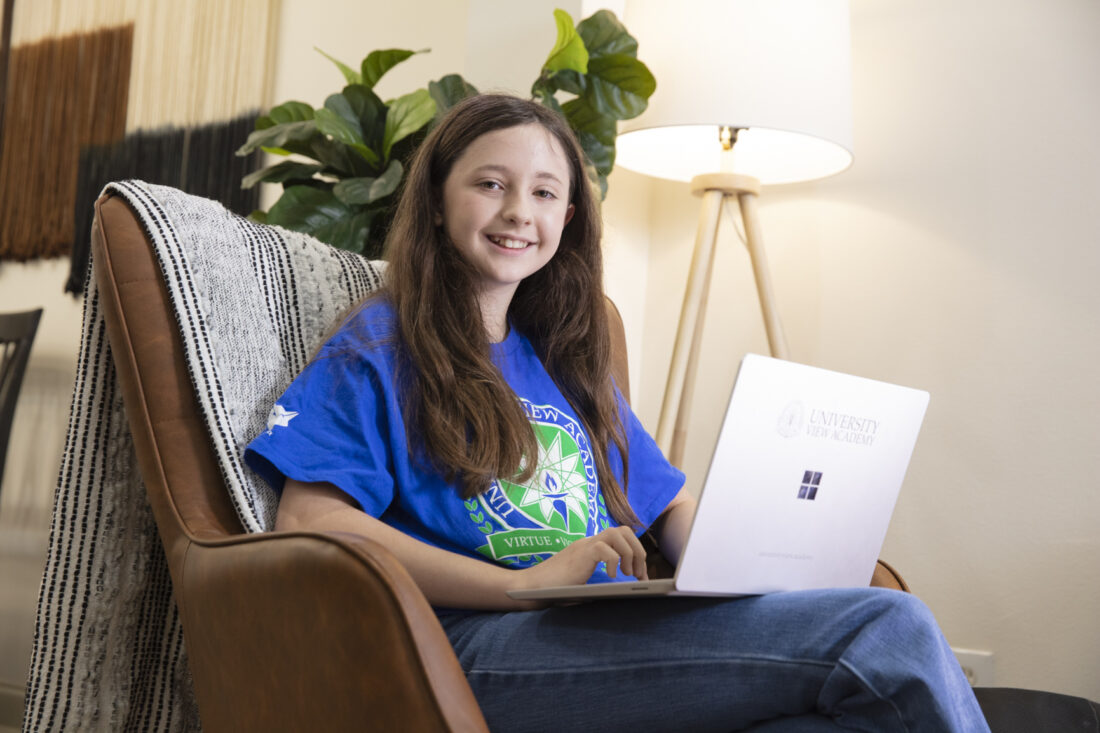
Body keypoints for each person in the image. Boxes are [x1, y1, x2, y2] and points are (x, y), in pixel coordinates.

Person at [245, 93, 989, 732]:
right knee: (889, 626)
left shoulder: (563, 360)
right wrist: (523, 584)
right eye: (490, 184)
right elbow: (313, 522)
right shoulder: (379, 342)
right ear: (439, 202)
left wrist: (759, 564)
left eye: (543, 193)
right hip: (478, 645)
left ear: (568, 216)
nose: (517, 211)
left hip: (605, 631)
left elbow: (670, 502)